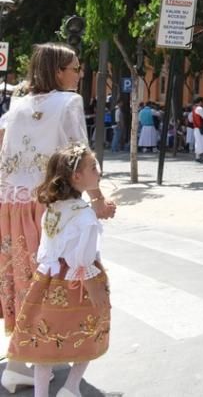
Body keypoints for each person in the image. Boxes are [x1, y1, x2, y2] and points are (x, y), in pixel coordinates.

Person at [0, 43, 115, 394]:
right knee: (58, 285)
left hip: (10, 204)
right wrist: (98, 198)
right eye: (74, 68)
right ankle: (36, 362)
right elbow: (81, 155)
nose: (79, 75)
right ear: (56, 71)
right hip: (50, 205)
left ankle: (18, 365)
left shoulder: (16, 104)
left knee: (25, 284)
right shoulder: (69, 102)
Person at [7, 142, 111, 397]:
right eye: (93, 167)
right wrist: (94, 289)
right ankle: (71, 387)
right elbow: (84, 260)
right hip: (78, 283)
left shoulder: (52, 208)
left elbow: (46, 249)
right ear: (77, 177)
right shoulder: (85, 215)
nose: (98, 171)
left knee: (46, 342)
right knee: (88, 332)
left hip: (48, 279)